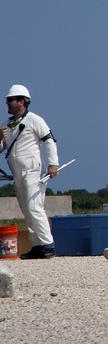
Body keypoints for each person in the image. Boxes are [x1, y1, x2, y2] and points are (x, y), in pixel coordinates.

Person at [1, 84, 60, 258]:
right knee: (26, 209)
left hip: (33, 170)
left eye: (11, 100)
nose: (7, 103)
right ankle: (38, 246)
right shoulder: (6, 125)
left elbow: (49, 140)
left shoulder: (35, 120)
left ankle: (48, 245)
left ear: (22, 102)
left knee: (34, 207)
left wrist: (53, 163)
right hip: (17, 172)